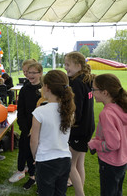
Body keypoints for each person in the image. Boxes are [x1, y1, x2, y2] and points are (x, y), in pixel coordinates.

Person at [30, 70, 76, 196]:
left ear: (47, 87)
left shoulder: (40, 112)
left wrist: (36, 157)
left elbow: (34, 140)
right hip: (65, 160)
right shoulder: (69, 110)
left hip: (46, 161)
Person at [88, 74, 127, 196]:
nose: (92, 93)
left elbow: (113, 144)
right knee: (116, 191)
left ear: (105, 92)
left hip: (110, 162)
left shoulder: (107, 114)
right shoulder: (121, 107)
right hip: (121, 161)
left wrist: (94, 143)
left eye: (93, 89)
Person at [64, 51, 95, 196]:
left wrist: (69, 123)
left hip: (79, 128)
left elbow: (77, 109)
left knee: (69, 165)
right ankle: (79, 191)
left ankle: (80, 194)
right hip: (87, 127)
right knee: (78, 163)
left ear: (78, 65)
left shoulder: (76, 82)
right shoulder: (86, 79)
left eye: (68, 64)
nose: (66, 68)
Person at [9, 62, 43, 191]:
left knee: (40, 155)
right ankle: (32, 177)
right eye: (29, 73)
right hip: (26, 128)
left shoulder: (44, 89)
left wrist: (35, 129)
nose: (31, 75)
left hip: (40, 129)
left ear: (40, 73)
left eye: (34, 73)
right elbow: (21, 110)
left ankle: (40, 179)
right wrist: (24, 128)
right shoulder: (24, 89)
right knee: (28, 152)